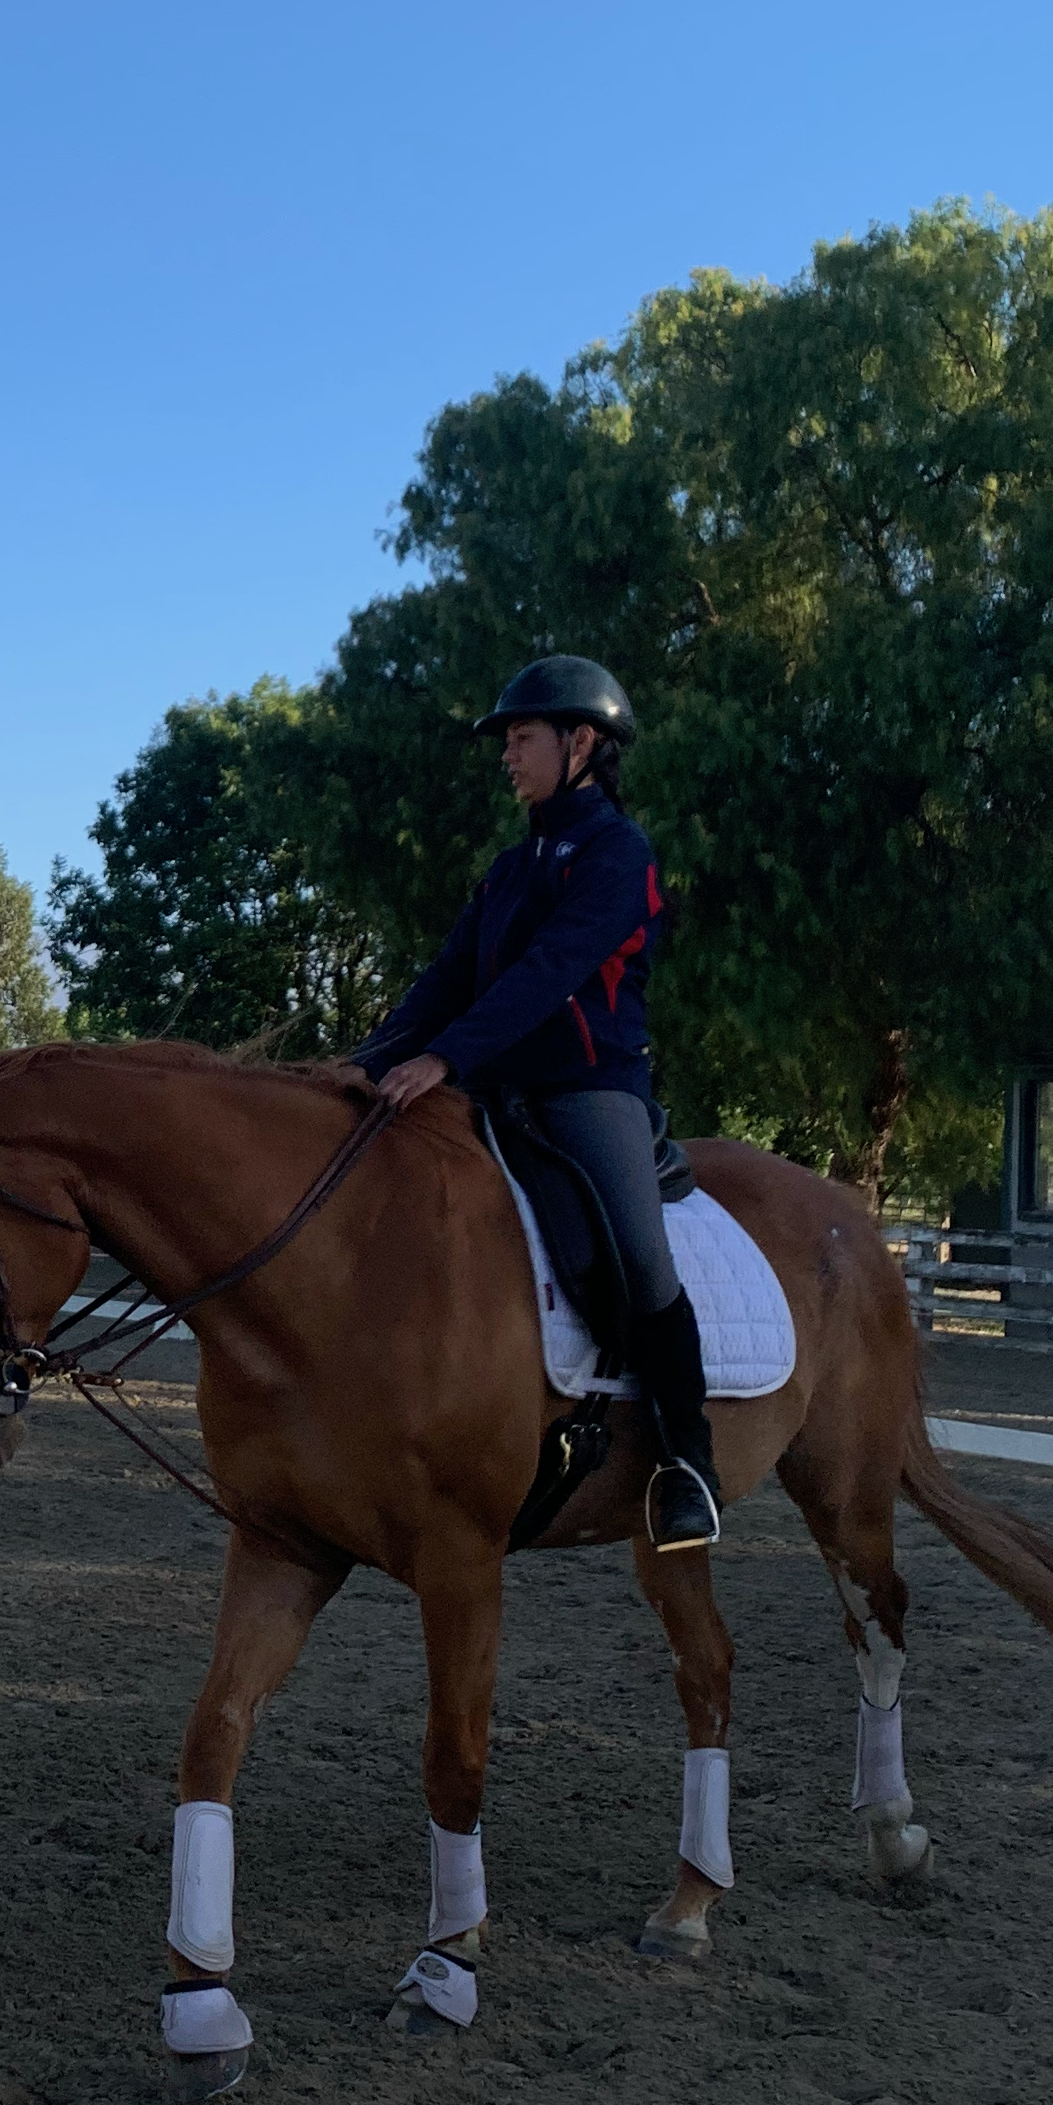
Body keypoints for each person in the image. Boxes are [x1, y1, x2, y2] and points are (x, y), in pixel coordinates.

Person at [352, 654, 723, 1552]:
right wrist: (363, 1065)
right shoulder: (510, 868)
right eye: (507, 740)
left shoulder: (618, 855)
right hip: (493, 1085)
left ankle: (687, 1465)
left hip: (588, 1087)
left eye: (521, 738)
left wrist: (444, 1057)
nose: (506, 756)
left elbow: (549, 975)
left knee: (639, 1258)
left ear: (581, 743)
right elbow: (445, 979)